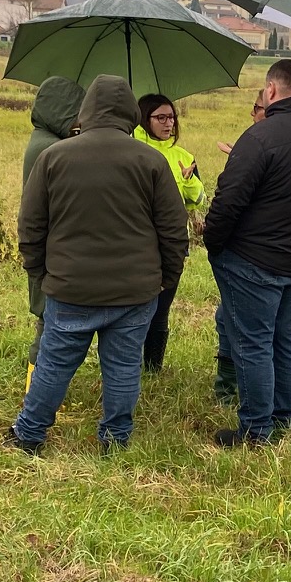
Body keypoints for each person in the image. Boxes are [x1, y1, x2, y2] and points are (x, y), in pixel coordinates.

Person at [8, 75, 187, 454]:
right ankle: (115, 440)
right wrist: (164, 280)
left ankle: (28, 435)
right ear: (130, 112)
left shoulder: (53, 157)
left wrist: (41, 275)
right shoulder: (152, 160)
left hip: (70, 287)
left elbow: (30, 226)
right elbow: (174, 231)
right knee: (123, 368)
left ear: (86, 109)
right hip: (135, 291)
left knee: (54, 365)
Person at [203, 59, 291, 447]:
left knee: (253, 342)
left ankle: (255, 430)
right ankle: (284, 417)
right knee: (288, 337)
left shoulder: (259, 138)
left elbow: (227, 201)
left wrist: (213, 245)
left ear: (270, 91)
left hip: (251, 261)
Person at [131, 94, 202, 373]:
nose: (168, 123)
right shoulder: (131, 149)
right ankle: (127, 366)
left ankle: (153, 368)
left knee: (161, 310)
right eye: (161, 117)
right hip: (138, 243)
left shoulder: (183, 156)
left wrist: (187, 183)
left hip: (172, 244)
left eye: (172, 117)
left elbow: (199, 200)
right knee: (135, 309)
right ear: (144, 118)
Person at [20, 76, 84, 368]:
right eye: (75, 112)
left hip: (48, 248)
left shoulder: (46, 140)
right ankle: (36, 395)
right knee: (49, 325)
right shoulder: (50, 149)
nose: (79, 120)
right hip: (51, 249)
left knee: (49, 322)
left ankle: (39, 392)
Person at [210, 93, 265, 405]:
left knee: (246, 329)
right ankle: (228, 389)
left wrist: (213, 243)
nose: (253, 114)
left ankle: (243, 398)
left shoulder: (262, 145)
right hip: (276, 253)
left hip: (251, 253)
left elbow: (231, 202)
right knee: (227, 317)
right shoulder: (254, 143)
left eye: (258, 108)